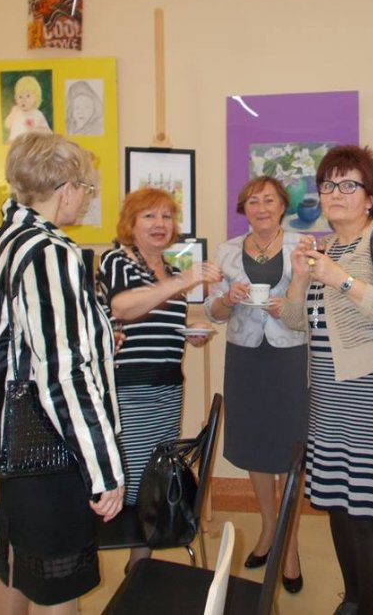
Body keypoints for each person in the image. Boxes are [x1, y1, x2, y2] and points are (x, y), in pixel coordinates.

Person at [0, 132, 125, 614]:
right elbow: (63, 375)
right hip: (45, 444)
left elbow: (9, 339)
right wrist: (104, 470)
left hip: (2, 434)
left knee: (13, 561)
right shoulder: (49, 252)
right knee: (58, 585)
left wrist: (95, 337)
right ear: (65, 190)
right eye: (86, 189)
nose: (86, 199)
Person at [280, 145, 373, 615]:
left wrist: (340, 279)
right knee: (338, 507)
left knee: (368, 514)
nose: (335, 193)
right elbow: (295, 323)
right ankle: (354, 599)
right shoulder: (327, 247)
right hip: (327, 400)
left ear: (370, 196)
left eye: (348, 184)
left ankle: (368, 609)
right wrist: (299, 277)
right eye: (328, 185)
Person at [97, 187, 222, 571]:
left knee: (154, 480)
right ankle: (132, 561)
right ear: (130, 223)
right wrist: (183, 282)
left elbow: (157, 324)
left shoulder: (169, 271)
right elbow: (123, 307)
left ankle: (140, 563)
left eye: (166, 216)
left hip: (168, 387)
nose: (159, 224)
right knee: (133, 482)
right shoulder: (118, 260)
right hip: (129, 388)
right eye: (149, 216)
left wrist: (190, 335)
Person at [203, 176, 309, 593]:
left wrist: (291, 307)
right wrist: (227, 300)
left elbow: (317, 307)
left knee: (291, 448)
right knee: (256, 445)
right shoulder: (227, 250)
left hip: (289, 356)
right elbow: (213, 311)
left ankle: (291, 543)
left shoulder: (304, 245)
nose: (261, 208)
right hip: (245, 358)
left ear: (283, 205)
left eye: (269, 200)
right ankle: (268, 527)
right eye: (252, 201)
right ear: (243, 209)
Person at [5, 75, 52, 142]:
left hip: (29, 144)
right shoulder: (16, 111)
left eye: (28, 96)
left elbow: (48, 132)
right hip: (14, 142)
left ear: (36, 97)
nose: (23, 100)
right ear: (15, 98)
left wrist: (35, 130)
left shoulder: (37, 114)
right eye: (20, 97)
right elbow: (7, 125)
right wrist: (12, 113)